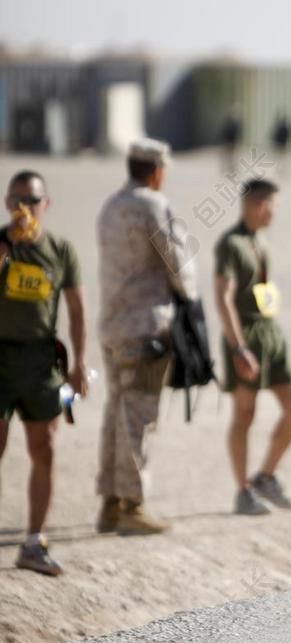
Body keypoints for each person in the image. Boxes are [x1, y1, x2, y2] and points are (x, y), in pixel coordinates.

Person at [96, 138, 198, 535]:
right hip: (145, 329)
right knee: (138, 415)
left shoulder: (110, 206)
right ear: (157, 170)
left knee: (115, 411)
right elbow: (178, 265)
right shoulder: (153, 205)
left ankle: (109, 503)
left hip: (112, 326)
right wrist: (190, 301)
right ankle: (133, 506)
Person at [0, 170, 88, 575]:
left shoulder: (60, 249)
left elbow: (77, 308)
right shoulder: (3, 244)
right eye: (17, 199)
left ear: (45, 204)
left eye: (32, 200)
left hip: (40, 361)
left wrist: (80, 364)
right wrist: (7, 246)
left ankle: (34, 542)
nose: (25, 208)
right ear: (6, 203)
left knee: (45, 449)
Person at [213, 178, 291, 515]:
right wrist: (238, 348)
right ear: (258, 205)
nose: (274, 213)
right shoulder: (230, 244)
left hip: (270, 332)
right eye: (272, 206)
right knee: (245, 414)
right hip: (246, 336)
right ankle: (242, 491)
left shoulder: (259, 240)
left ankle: (266, 476)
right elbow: (223, 297)